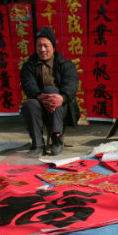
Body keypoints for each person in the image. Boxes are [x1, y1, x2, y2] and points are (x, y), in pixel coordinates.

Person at [20, 27, 79, 156]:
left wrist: (61, 98)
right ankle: (37, 145)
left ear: (53, 46)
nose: (42, 49)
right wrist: (40, 96)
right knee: (30, 104)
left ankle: (57, 140)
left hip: (62, 107)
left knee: (52, 91)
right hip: (40, 106)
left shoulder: (66, 64)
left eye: (46, 45)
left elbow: (71, 84)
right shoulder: (28, 66)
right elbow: (28, 85)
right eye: (39, 45)